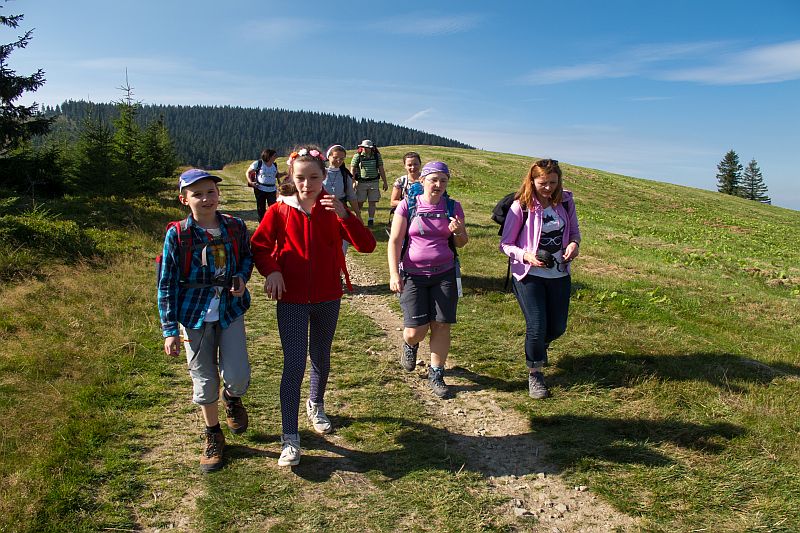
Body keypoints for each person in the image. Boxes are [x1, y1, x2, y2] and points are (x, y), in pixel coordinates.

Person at [250, 146, 376, 466]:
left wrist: (346, 215)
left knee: (320, 354)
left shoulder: (334, 209)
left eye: (314, 178)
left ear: (325, 178)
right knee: (293, 364)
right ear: (291, 177)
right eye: (301, 178)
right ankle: (290, 437)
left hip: (328, 297)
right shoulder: (279, 210)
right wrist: (273, 271)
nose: (308, 184)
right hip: (291, 299)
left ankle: (316, 404)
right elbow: (260, 247)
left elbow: (367, 245)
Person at [158, 168, 253, 473]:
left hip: (229, 310)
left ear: (218, 194)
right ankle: (213, 434)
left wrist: (241, 276)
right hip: (192, 316)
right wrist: (170, 330)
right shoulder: (178, 234)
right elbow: (167, 282)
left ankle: (232, 398)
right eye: (197, 194)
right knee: (204, 379)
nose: (206, 198)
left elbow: (248, 258)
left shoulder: (235, 227)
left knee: (238, 375)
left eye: (210, 191)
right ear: (184, 199)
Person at [499, 159, 581, 399]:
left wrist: (574, 245)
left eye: (553, 183)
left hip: (559, 273)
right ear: (532, 181)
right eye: (542, 183)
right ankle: (535, 374)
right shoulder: (520, 207)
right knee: (536, 325)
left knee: (557, 327)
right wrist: (526, 255)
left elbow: (574, 231)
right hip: (528, 275)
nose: (548, 188)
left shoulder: (565, 202)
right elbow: (505, 244)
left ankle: (538, 348)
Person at [387, 161, 467, 399]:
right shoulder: (407, 205)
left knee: (441, 325)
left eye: (443, 180)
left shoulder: (453, 207)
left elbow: (462, 243)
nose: (438, 185)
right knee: (415, 331)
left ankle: (436, 373)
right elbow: (395, 242)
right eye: (434, 180)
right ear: (422, 181)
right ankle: (410, 345)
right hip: (413, 274)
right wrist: (394, 273)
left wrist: (458, 231)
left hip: (445, 273)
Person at [350, 139, 387, 227]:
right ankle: (357, 218)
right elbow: (353, 169)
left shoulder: (377, 156)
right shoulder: (357, 156)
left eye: (366, 148)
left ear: (371, 148)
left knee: (372, 202)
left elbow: (381, 169)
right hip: (361, 182)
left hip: (374, 182)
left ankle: (371, 220)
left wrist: (385, 182)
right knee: (360, 202)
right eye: (363, 147)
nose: (364, 149)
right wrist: (353, 181)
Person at [246, 149, 283, 221]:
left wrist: (283, 175)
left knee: (273, 207)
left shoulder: (274, 165)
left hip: (272, 189)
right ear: (269, 156)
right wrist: (250, 182)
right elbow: (248, 172)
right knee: (261, 208)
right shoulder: (258, 163)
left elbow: (276, 175)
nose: (276, 157)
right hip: (260, 188)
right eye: (274, 155)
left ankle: (272, 222)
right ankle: (262, 223)